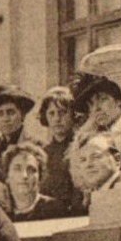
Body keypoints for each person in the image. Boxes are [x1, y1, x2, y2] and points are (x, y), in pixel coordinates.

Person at [71, 72, 121, 179]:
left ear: (119, 101)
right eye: (91, 104)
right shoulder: (97, 139)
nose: (96, 108)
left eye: (102, 99)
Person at [36, 86, 80, 214]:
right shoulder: (42, 153)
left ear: (73, 115)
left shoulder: (82, 148)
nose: (57, 119)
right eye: (51, 113)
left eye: (62, 112)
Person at [1, 143, 66, 222]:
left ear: (40, 176)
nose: (24, 176)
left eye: (31, 170)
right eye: (17, 169)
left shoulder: (55, 209)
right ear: (7, 176)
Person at [70, 132, 121, 199]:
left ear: (117, 159)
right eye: (83, 160)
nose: (88, 165)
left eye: (95, 157)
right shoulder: (95, 193)